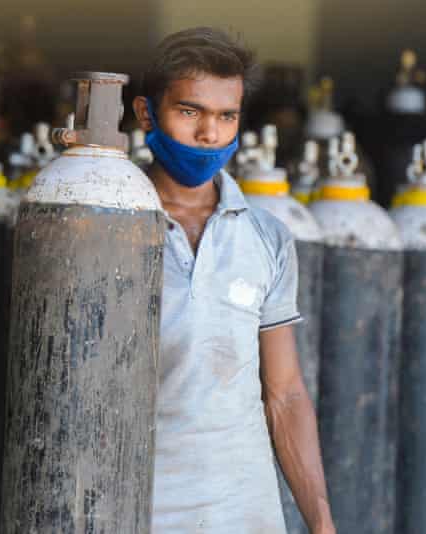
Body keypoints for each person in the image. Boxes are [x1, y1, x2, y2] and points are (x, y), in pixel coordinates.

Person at [132, 27, 336, 534]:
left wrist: (321, 523)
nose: (210, 133)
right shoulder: (111, 222)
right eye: (190, 111)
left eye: (227, 116)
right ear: (145, 114)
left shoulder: (267, 237)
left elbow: (285, 394)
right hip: (136, 509)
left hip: (244, 512)